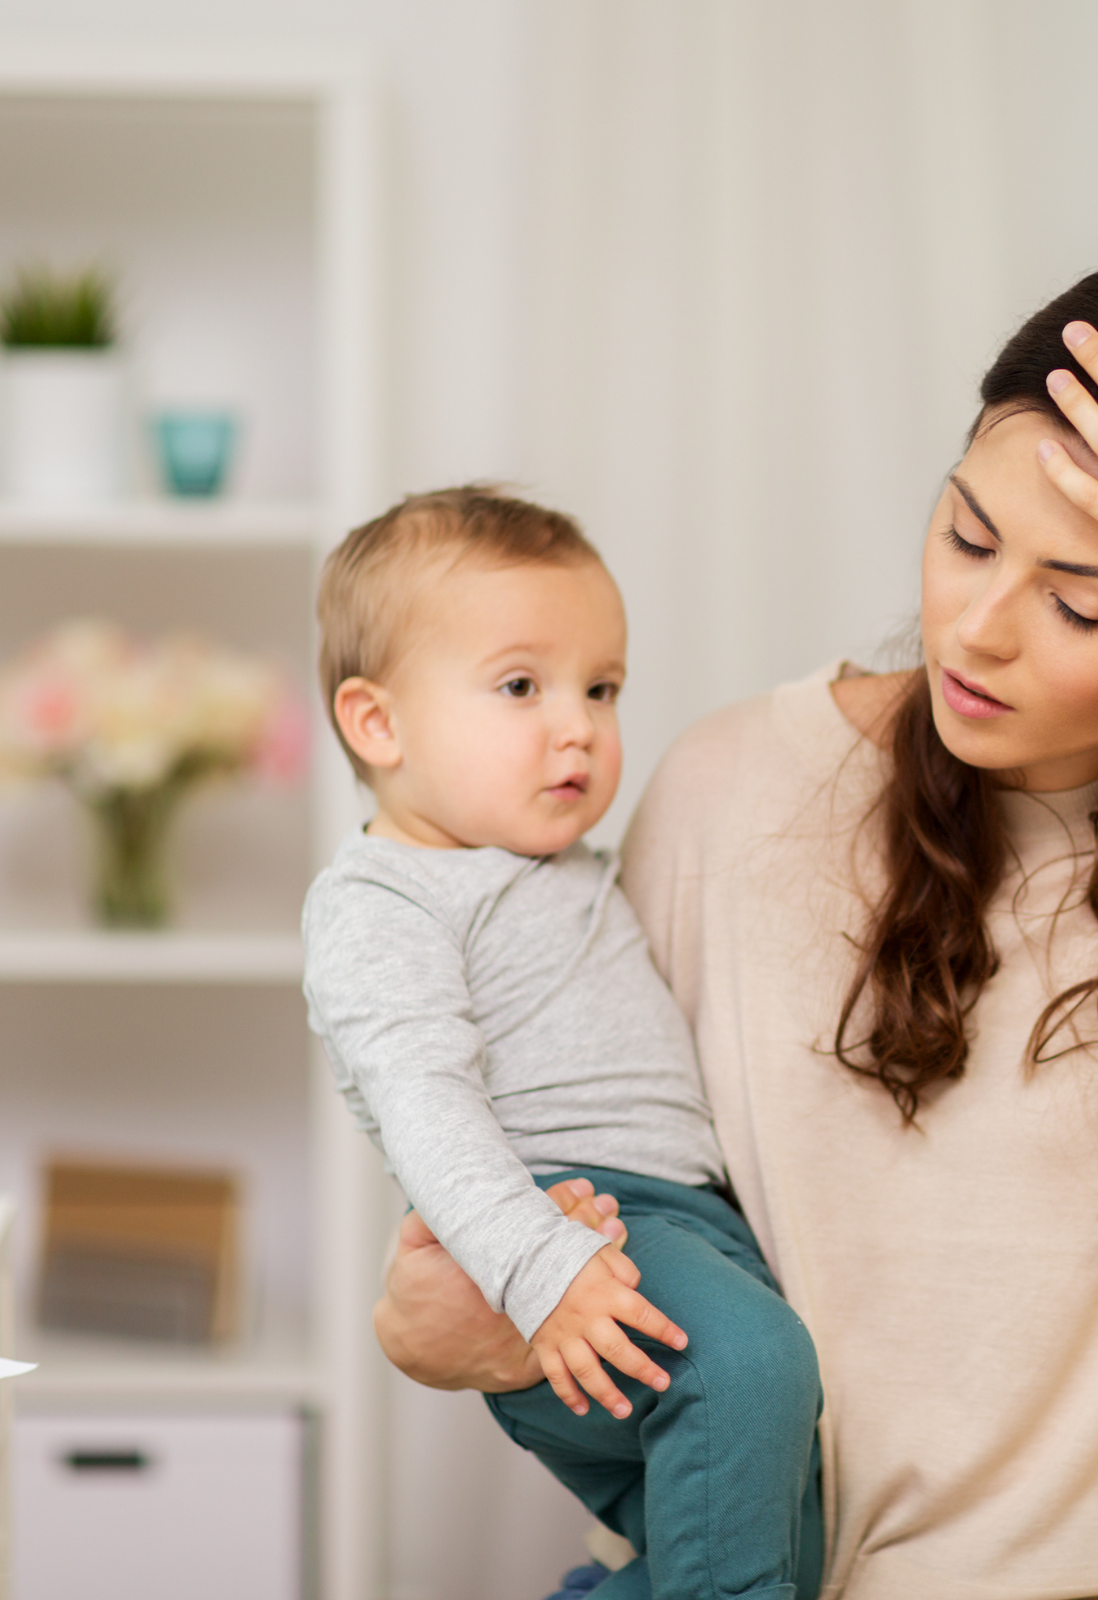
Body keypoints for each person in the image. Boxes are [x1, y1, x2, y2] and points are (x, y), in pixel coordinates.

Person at [376, 260, 1098, 1599]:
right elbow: (631, 1206)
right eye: (970, 536)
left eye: (1082, 603)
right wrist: (471, 1334)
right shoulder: (735, 787)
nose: (976, 630)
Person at [302, 489, 823, 1600]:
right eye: (520, 686)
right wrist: (546, 1271)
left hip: (690, 1228)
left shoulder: (566, 865)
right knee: (754, 1368)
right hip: (568, 1230)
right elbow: (422, 1101)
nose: (578, 724)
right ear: (377, 723)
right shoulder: (381, 902)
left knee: (782, 1530)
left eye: (602, 687)